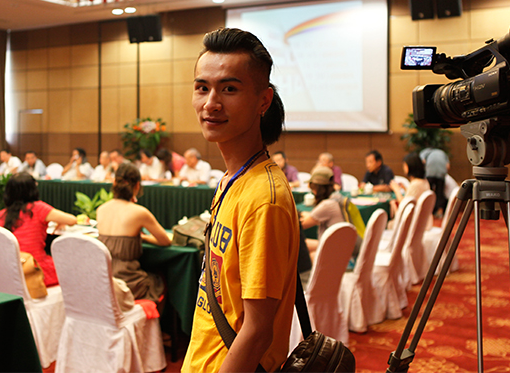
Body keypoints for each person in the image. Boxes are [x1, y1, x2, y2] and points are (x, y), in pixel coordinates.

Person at [182, 28, 298, 373]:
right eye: (202, 88)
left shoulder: (264, 199)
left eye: (229, 89)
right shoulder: (232, 180)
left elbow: (258, 332)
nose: (211, 103)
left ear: (264, 101)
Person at [96, 163, 171, 301]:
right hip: (128, 283)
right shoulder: (139, 212)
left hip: (102, 279)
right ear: (137, 185)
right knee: (159, 280)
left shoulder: (101, 209)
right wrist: (145, 238)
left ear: (114, 183)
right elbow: (165, 241)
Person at [0, 172, 76, 287]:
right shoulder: (38, 208)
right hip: (36, 269)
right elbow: (72, 220)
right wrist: (60, 221)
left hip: (10, 272)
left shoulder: (1, 215)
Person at [299, 167, 344, 256]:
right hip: (341, 247)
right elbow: (314, 216)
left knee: (297, 245)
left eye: (312, 187)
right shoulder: (337, 198)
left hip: (333, 252)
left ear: (318, 188)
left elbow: (300, 226)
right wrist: (302, 214)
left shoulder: (326, 205)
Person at [389, 152, 431, 219]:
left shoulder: (415, 184)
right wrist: (405, 189)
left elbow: (404, 205)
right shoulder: (424, 181)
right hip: (423, 218)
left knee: (389, 223)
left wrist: (396, 190)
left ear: (409, 167)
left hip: (413, 220)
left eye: (404, 165)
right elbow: (414, 197)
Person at [420, 147, 450, 216]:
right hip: (441, 173)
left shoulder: (425, 152)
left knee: (428, 192)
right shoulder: (442, 153)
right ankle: (440, 211)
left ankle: (428, 211)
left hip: (430, 173)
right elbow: (448, 166)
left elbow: (422, 161)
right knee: (440, 192)